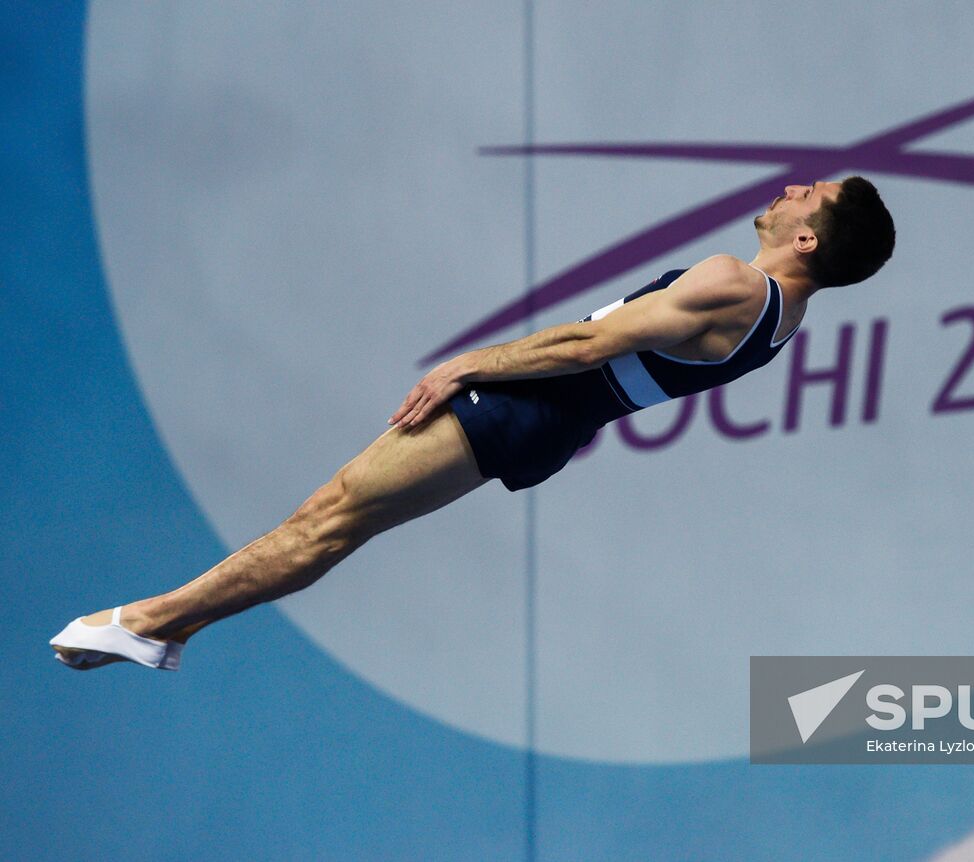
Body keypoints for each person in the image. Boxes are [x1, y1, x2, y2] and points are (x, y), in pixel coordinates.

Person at [49, 176, 896, 670]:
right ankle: (170, 626)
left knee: (330, 516)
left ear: (810, 240)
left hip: (531, 404)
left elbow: (585, 343)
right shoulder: (782, 326)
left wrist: (470, 363)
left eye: (807, 194)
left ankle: (150, 622)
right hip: (550, 429)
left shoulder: (735, 284)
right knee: (340, 527)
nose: (788, 190)